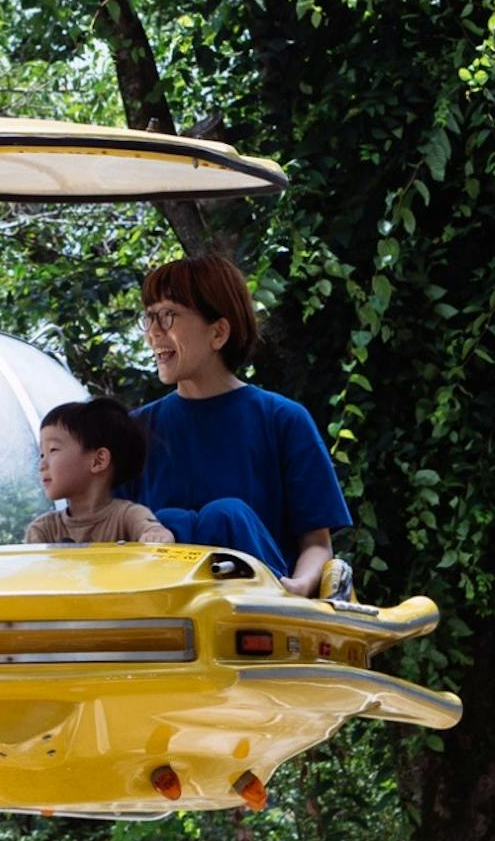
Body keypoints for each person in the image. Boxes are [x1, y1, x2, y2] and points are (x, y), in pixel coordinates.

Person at [115, 254, 350, 598]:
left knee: (225, 515)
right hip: (162, 618)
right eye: (149, 317)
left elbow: (316, 543)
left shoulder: (284, 419)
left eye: (167, 315)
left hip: (265, 613)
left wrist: (296, 589)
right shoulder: (134, 432)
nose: (153, 333)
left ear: (218, 332)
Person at [23, 398, 172, 546]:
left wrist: (157, 535)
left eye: (53, 450)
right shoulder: (42, 530)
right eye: (42, 455)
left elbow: (155, 533)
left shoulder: (129, 516)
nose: (41, 465)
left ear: (98, 461)